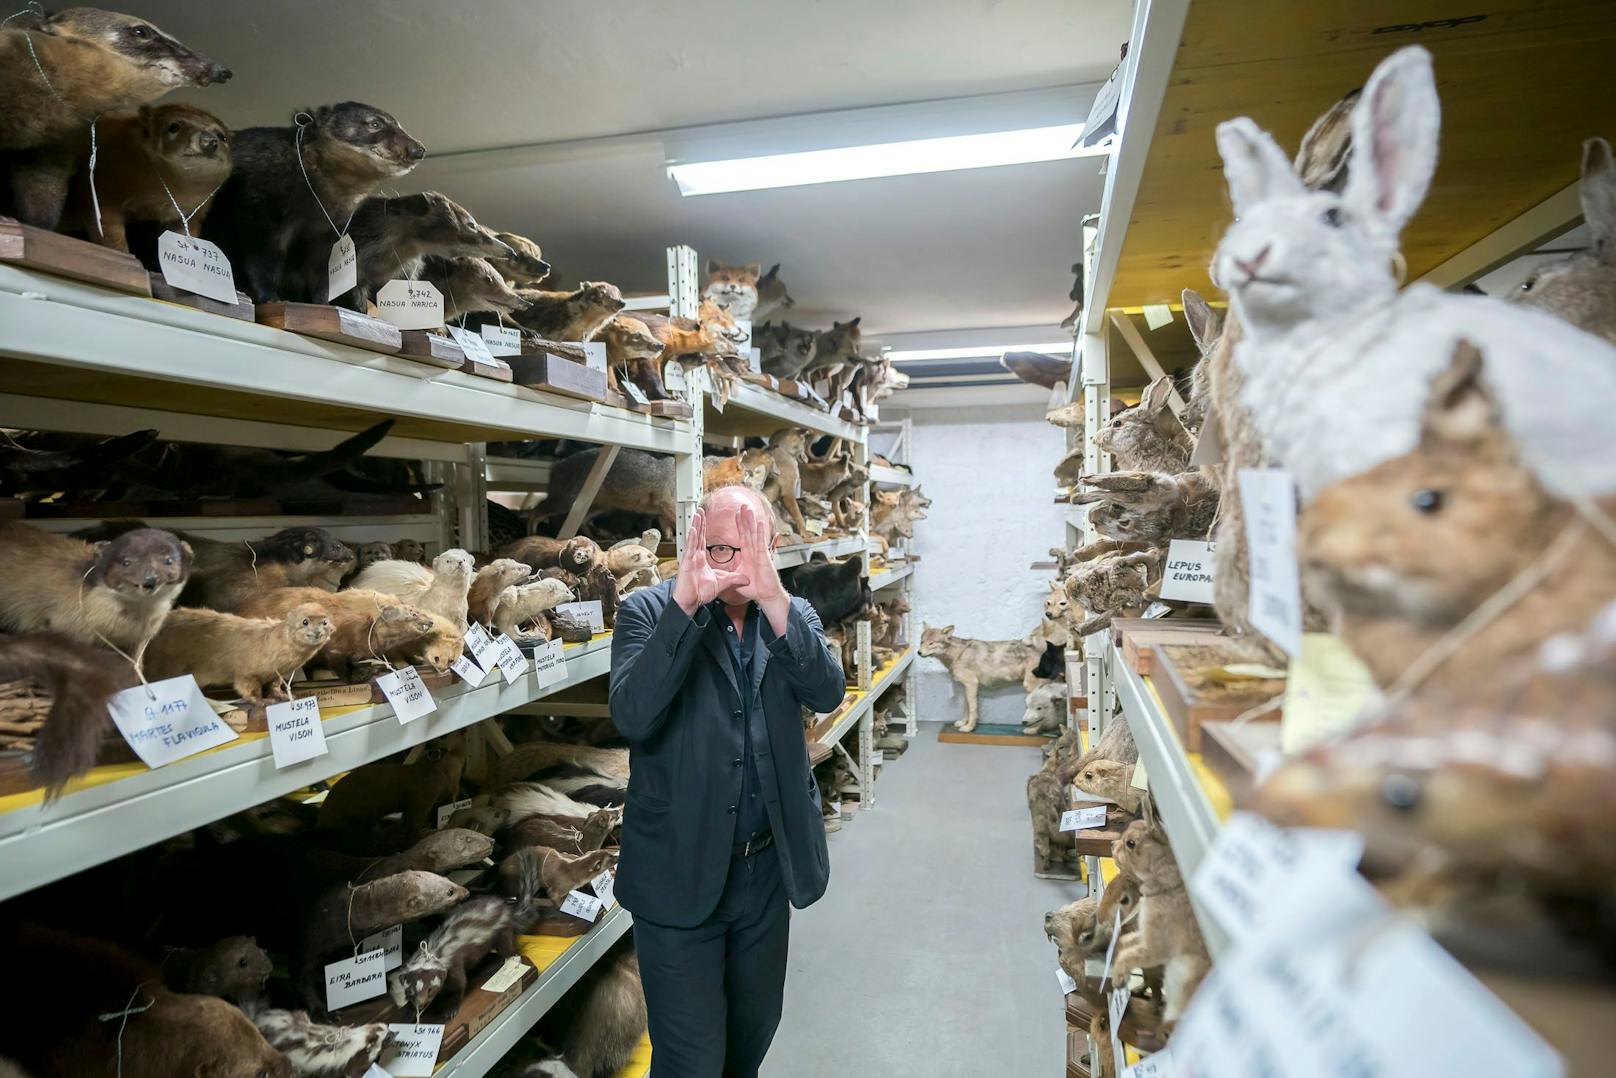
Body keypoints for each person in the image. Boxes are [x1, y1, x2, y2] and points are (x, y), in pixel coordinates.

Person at [609, 484, 846, 1077]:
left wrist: (775, 600)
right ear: (695, 546)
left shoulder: (793, 616)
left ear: (772, 545)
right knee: (692, 1061)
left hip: (765, 873)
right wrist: (683, 608)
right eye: (719, 550)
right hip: (677, 872)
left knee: (750, 1041)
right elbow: (634, 716)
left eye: (751, 548)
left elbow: (827, 692)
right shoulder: (647, 611)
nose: (735, 566)